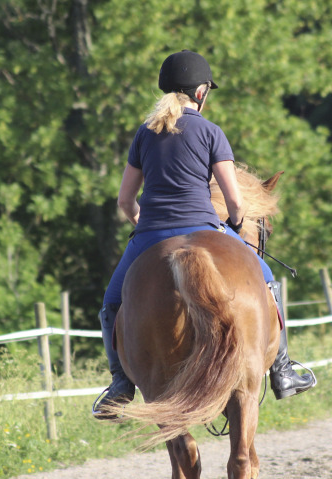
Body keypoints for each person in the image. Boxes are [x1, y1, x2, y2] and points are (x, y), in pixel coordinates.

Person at [93, 50, 315, 420]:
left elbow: (124, 199)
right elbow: (233, 199)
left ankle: (119, 384)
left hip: (150, 235)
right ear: (200, 93)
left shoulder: (144, 134)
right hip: (204, 225)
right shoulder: (211, 132)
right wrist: (231, 228)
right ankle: (283, 372)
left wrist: (143, 225)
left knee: (112, 303)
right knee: (267, 283)